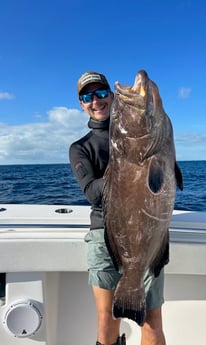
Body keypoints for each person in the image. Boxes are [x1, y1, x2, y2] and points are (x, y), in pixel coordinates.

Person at [69, 71, 166, 345]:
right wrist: (125, 162)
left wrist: (136, 146)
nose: (96, 101)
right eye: (88, 97)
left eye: (101, 93)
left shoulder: (139, 129)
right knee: (107, 319)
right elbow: (92, 193)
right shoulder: (80, 148)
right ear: (81, 104)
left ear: (111, 97)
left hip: (148, 232)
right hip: (104, 234)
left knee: (151, 319)